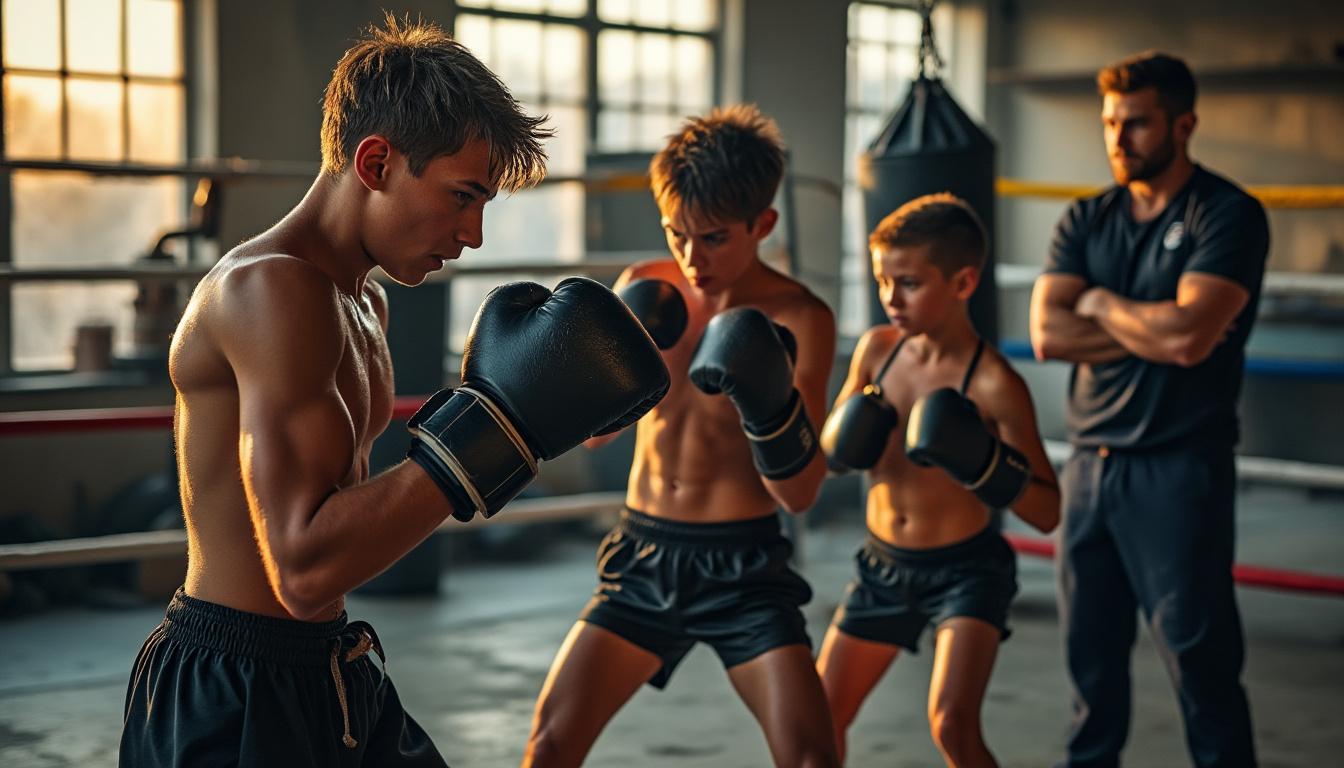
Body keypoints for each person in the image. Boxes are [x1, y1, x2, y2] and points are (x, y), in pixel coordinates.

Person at [119, 17, 670, 767]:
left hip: (331, 664)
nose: (473, 233)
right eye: (461, 196)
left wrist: (512, 428)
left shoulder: (365, 303)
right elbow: (303, 570)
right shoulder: (269, 292)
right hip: (235, 689)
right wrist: (498, 429)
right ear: (375, 162)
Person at [522, 104, 840, 768]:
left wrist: (768, 403)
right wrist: (599, 376)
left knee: (812, 757)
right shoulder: (644, 285)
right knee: (550, 743)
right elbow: (595, 441)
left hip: (744, 567)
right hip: (643, 554)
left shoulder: (799, 317)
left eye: (715, 238)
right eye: (677, 234)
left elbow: (801, 493)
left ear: (763, 225)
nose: (693, 258)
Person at [1029, 51, 1267, 768]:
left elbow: (1191, 339)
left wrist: (1100, 302)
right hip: (1090, 470)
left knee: (1201, 666)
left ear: (1183, 125)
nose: (1118, 139)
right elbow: (1048, 334)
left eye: (1136, 123)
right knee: (1090, 671)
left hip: (1179, 468)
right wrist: (1151, 326)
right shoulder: (1086, 217)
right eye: (1110, 123)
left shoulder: (1226, 213)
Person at [816, 192, 1060, 767]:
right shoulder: (878, 351)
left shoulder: (994, 383)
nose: (890, 298)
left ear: (963, 282)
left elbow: (1049, 512)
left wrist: (982, 463)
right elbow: (829, 455)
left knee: (952, 724)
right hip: (882, 565)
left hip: (965, 572)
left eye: (909, 283)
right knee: (819, 719)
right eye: (883, 281)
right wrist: (846, 433)